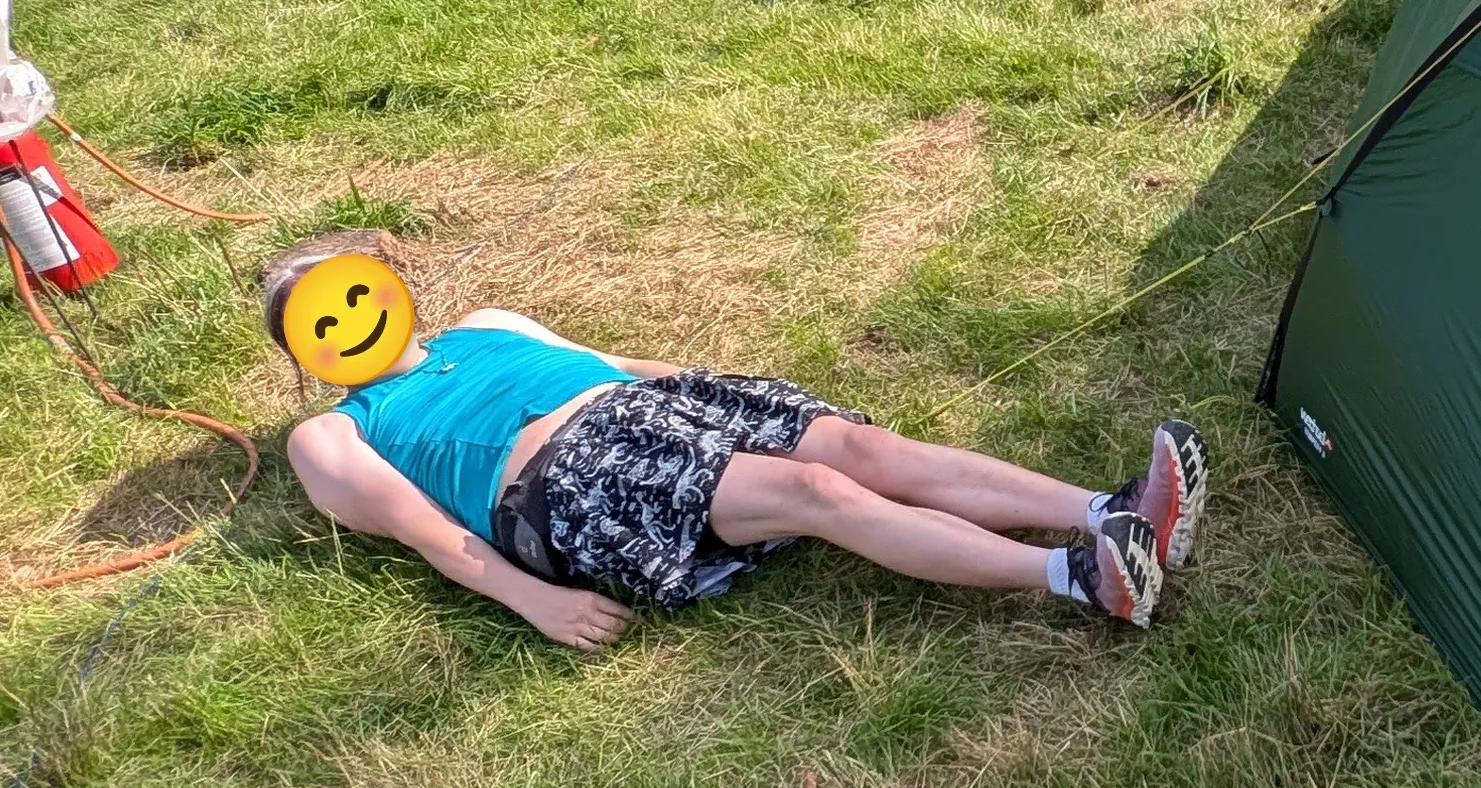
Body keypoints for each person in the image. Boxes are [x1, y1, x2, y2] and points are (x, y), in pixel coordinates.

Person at [263, 239, 1203, 646]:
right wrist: (528, 600)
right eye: (318, 317)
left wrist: (724, 393)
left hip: (655, 410)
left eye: (354, 288)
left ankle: (1108, 511)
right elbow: (428, 535)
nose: (349, 316)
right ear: (308, 352)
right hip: (571, 480)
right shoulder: (333, 434)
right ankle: (1080, 579)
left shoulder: (484, 321)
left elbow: (620, 365)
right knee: (821, 500)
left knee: (863, 454)